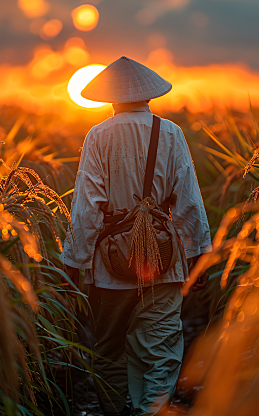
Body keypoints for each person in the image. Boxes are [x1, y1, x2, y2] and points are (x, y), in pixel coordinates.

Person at [60, 56, 212, 416]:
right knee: (161, 348)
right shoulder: (171, 132)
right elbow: (190, 200)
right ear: (148, 94)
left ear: (110, 98)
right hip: (162, 260)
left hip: (109, 265)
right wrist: (199, 255)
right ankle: (153, 411)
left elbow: (86, 206)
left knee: (110, 352)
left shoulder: (98, 135)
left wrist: (74, 263)